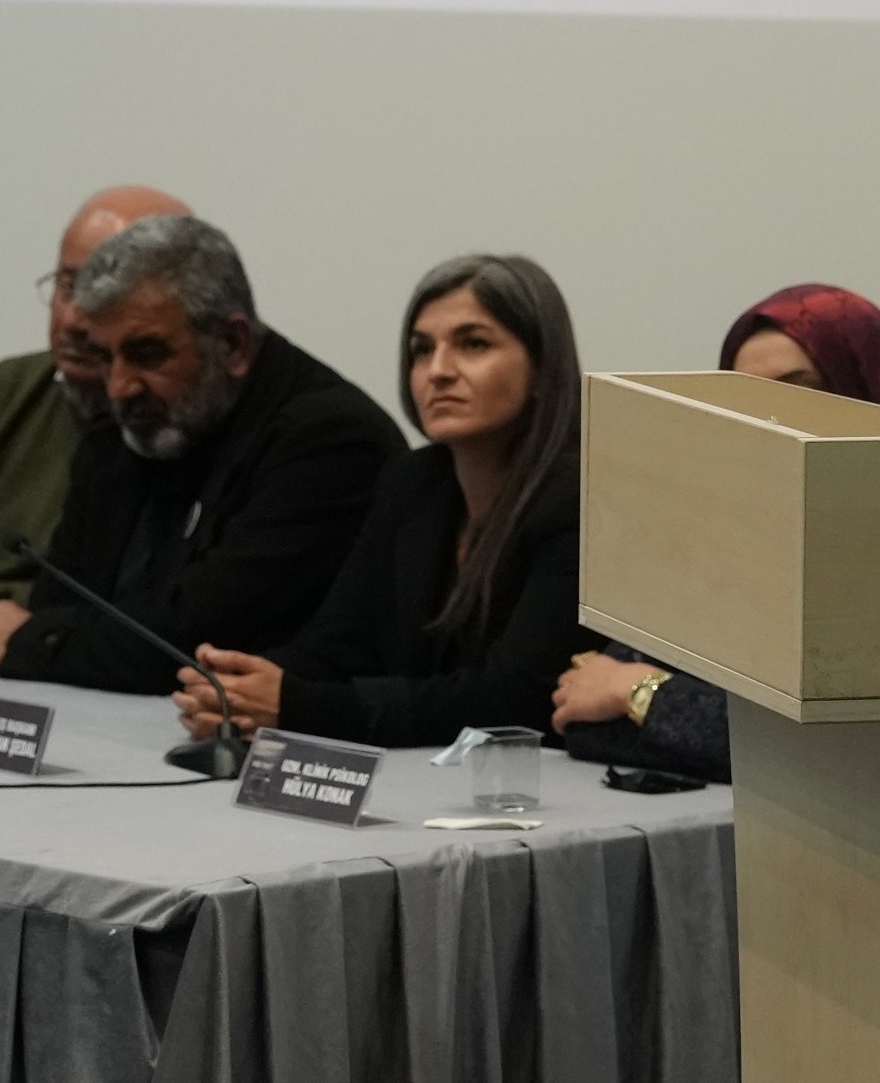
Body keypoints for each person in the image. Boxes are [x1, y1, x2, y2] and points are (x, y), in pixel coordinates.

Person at [171, 255, 595, 749]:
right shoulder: (414, 482)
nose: (438, 371)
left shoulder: (582, 501)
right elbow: (339, 644)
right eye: (422, 350)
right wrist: (239, 689)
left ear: (543, 371)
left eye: (473, 344)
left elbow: (513, 699)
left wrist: (299, 706)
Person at [0, 216, 401, 691]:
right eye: (104, 356)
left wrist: (33, 644)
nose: (119, 387)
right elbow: (58, 600)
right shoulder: (119, 432)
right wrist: (53, 638)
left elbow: (198, 640)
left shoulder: (330, 442)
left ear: (232, 345)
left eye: (147, 354)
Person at [550, 283, 880, 782]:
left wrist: (641, 692)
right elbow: (584, 722)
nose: (768, 420)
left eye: (800, 391)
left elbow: (846, 751)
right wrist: (682, 713)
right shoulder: (724, 540)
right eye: (746, 400)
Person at [0, 184, 190, 660]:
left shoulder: (180, 422)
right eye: (67, 286)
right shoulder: (11, 390)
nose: (72, 320)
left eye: (103, 293)